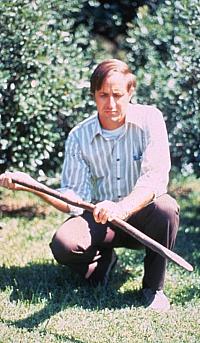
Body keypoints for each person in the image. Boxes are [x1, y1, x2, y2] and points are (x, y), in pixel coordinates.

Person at [0, 59, 179, 312]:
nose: (111, 103)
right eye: (103, 95)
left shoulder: (151, 119)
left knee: (166, 207)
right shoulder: (78, 136)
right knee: (65, 244)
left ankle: (153, 288)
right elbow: (73, 198)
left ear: (130, 92)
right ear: (93, 95)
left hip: (142, 216)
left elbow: (155, 179)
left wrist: (121, 209)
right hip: (100, 219)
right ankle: (100, 263)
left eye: (118, 94)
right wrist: (32, 186)